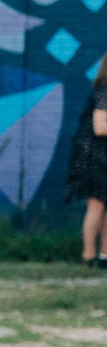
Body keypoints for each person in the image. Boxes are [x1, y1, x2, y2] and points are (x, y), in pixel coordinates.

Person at [67, 54, 107, 269]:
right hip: (94, 157)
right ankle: (88, 256)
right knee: (96, 205)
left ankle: (104, 257)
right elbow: (100, 128)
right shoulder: (104, 92)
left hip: (103, 157)